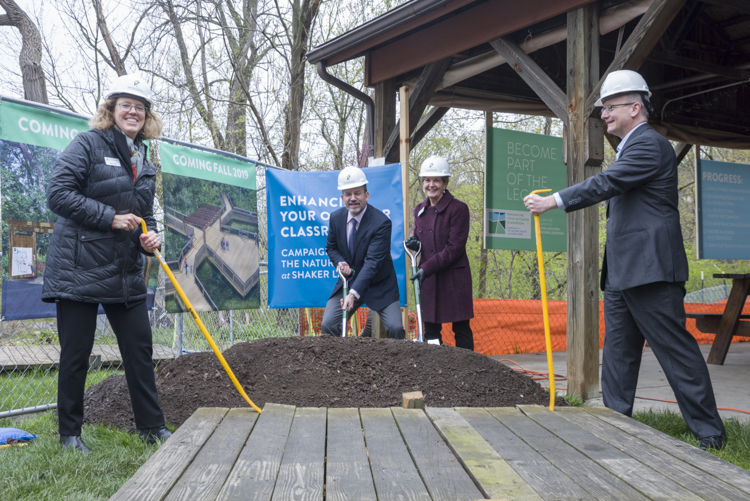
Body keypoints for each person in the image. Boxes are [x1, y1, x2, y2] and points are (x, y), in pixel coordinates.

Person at [523, 70, 725, 450]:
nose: (603, 114)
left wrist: (554, 201)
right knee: (618, 351)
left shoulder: (649, 144)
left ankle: (709, 432)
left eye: (610, 107)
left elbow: (606, 183)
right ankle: (616, 422)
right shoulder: (631, 147)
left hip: (650, 271)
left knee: (675, 351)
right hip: (621, 273)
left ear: (636, 107)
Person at [42, 74, 172, 453]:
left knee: (139, 348)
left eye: (140, 107)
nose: (133, 112)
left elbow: (143, 217)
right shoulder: (87, 144)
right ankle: (70, 434)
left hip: (124, 271)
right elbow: (58, 193)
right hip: (79, 267)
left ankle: (151, 427)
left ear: (147, 116)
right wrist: (109, 217)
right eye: (125, 105)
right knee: (77, 353)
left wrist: (149, 241)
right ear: (110, 110)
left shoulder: (144, 160)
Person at [321, 167, 405, 339]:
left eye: (357, 193)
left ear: (366, 195)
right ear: (342, 197)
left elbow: (372, 263)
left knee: (396, 329)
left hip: (379, 284)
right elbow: (331, 248)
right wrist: (339, 263)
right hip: (350, 282)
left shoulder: (381, 223)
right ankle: (343, 361)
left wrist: (353, 293)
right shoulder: (335, 218)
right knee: (329, 324)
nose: (353, 198)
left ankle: (396, 365)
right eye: (348, 194)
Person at [408, 156, 474, 350]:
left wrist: (426, 269)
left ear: (445, 183)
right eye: (427, 180)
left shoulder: (458, 209)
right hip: (429, 279)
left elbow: (454, 248)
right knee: (431, 331)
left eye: (436, 180)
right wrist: (414, 243)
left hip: (453, 278)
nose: (431, 185)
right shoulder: (420, 209)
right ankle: (436, 372)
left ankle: (469, 370)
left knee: (461, 328)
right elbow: (421, 241)